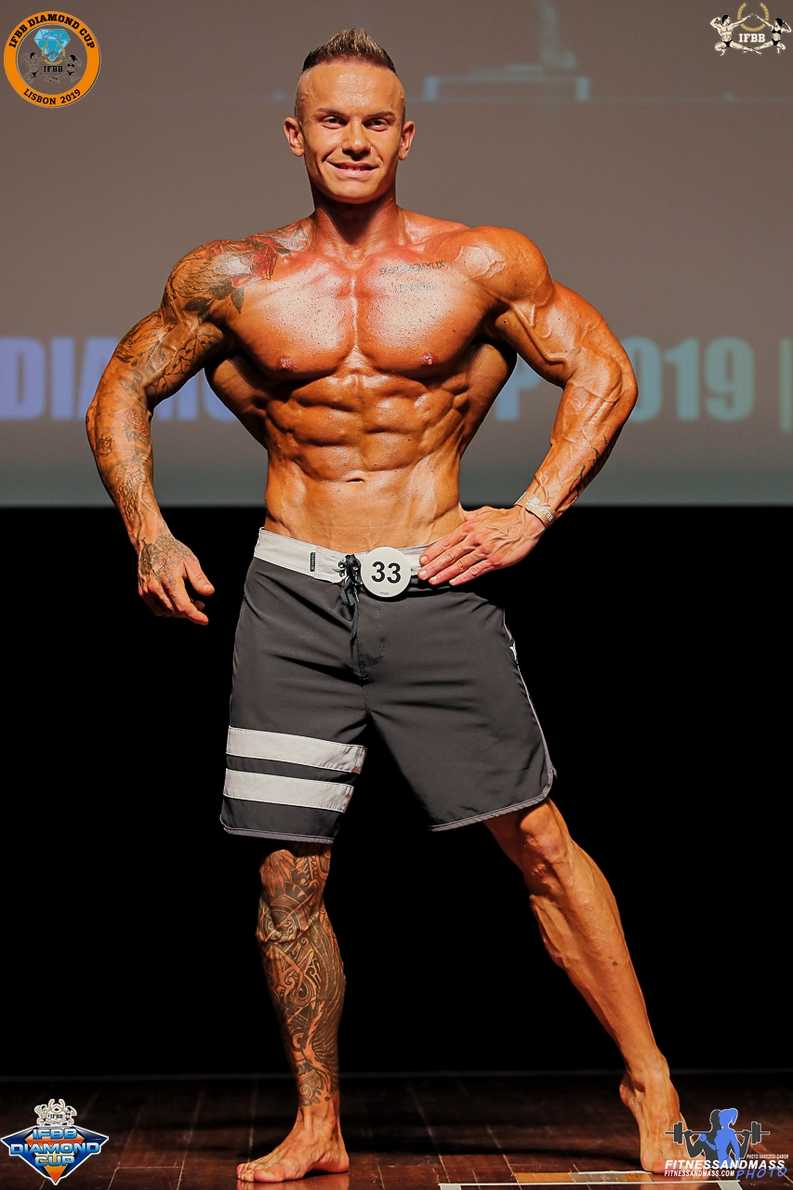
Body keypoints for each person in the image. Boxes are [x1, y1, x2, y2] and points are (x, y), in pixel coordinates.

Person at [85, 26, 688, 1186]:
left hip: (432, 585)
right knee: (286, 875)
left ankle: (648, 1075)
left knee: (538, 842)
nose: (353, 139)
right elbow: (123, 381)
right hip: (291, 597)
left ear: (406, 136)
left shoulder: (479, 264)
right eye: (332, 120)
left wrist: (532, 512)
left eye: (374, 122)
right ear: (296, 135)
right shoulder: (231, 277)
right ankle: (319, 1120)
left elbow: (603, 369)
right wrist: (148, 531)